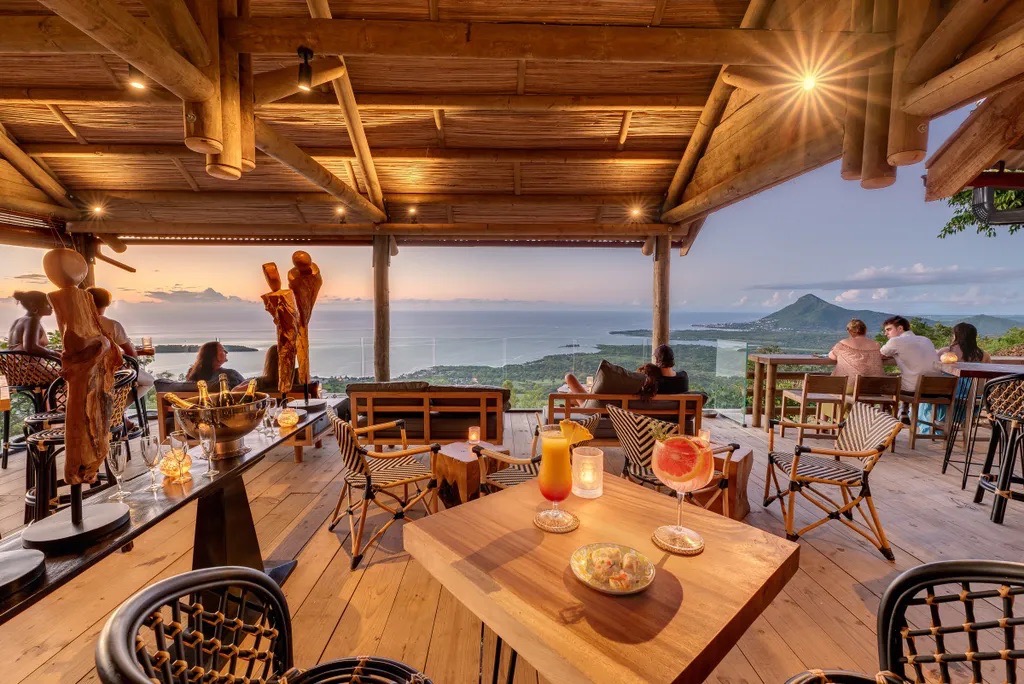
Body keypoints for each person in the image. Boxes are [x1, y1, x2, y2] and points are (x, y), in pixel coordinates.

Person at [87, 287, 155, 401]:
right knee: (149, 381)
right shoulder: (112, 325)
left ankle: (115, 409)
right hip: (111, 373)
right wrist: (128, 360)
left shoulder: (75, 326)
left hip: (85, 375)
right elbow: (131, 353)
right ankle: (119, 408)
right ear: (106, 303)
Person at [565, 344, 689, 401]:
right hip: (672, 421)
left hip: (596, 411)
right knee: (573, 396)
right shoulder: (683, 378)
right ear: (672, 360)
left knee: (569, 377)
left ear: (656, 360)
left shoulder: (651, 384)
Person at [879, 315, 938, 423]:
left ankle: (887, 416)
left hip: (914, 389)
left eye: (889, 329)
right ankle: (903, 410)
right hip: (936, 388)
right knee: (907, 375)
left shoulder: (896, 341)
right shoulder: (926, 340)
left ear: (900, 328)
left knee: (883, 382)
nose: (886, 333)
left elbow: (880, 354)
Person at [828, 318, 884, 391]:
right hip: (874, 387)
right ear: (865, 330)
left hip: (851, 387)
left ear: (850, 331)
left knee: (831, 387)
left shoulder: (843, 344)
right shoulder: (876, 345)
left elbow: (832, 356)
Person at [7, 290, 60, 360]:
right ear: (34, 305)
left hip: (16, 365)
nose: (52, 307)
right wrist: (55, 354)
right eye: (48, 303)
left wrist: (55, 352)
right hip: (30, 366)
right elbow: (31, 347)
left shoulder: (17, 321)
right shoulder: (32, 320)